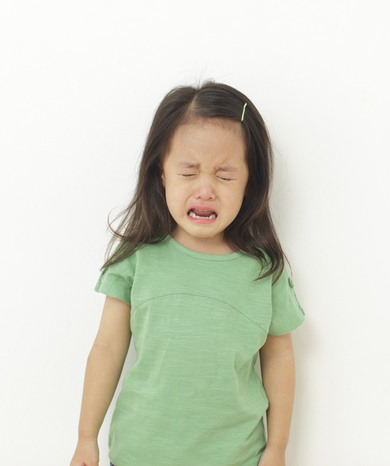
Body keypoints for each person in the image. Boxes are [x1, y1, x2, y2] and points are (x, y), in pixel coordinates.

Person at [69, 81, 306, 466]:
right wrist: (85, 438)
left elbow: (279, 359)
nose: (205, 189)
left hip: (236, 457)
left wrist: (277, 449)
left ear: (250, 183)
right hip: (138, 455)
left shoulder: (264, 271)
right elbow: (108, 348)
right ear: (161, 174)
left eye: (225, 175)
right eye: (188, 172)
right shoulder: (137, 258)